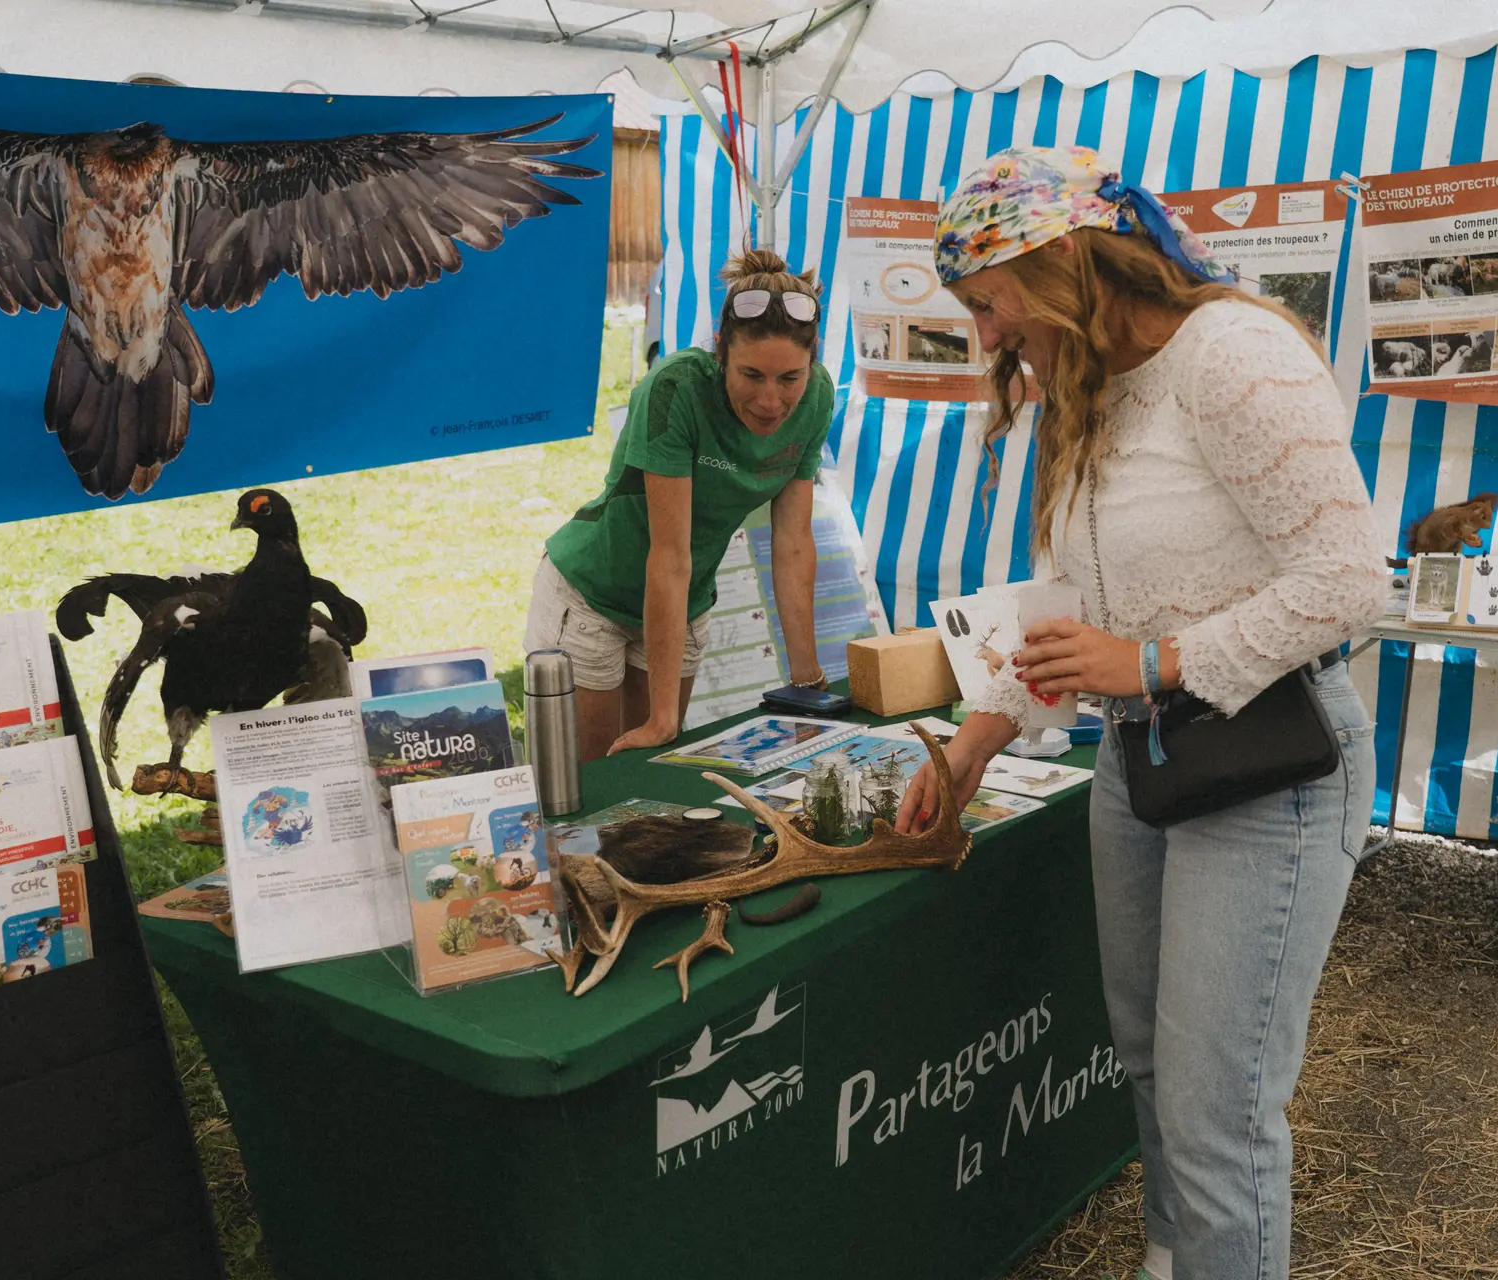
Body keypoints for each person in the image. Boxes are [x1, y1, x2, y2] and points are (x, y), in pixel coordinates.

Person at [896, 147, 1388, 1280]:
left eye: (986, 303)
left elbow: (1349, 577)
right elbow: (1077, 612)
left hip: (1270, 764)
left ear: (1059, 258)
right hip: (1144, 762)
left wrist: (1158, 659)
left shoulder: (1234, 352)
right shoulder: (1092, 390)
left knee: (1219, 1114)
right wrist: (982, 730)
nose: (983, 337)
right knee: (1152, 1067)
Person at [527, 249, 834, 762]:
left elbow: (794, 545)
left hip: (683, 605)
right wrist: (663, 716)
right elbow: (669, 557)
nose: (770, 400)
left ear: (811, 362)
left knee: (648, 781)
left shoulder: (818, 398)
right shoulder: (675, 386)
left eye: (789, 379)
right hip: (591, 596)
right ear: (720, 351)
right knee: (591, 785)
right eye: (751, 375)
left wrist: (808, 683)